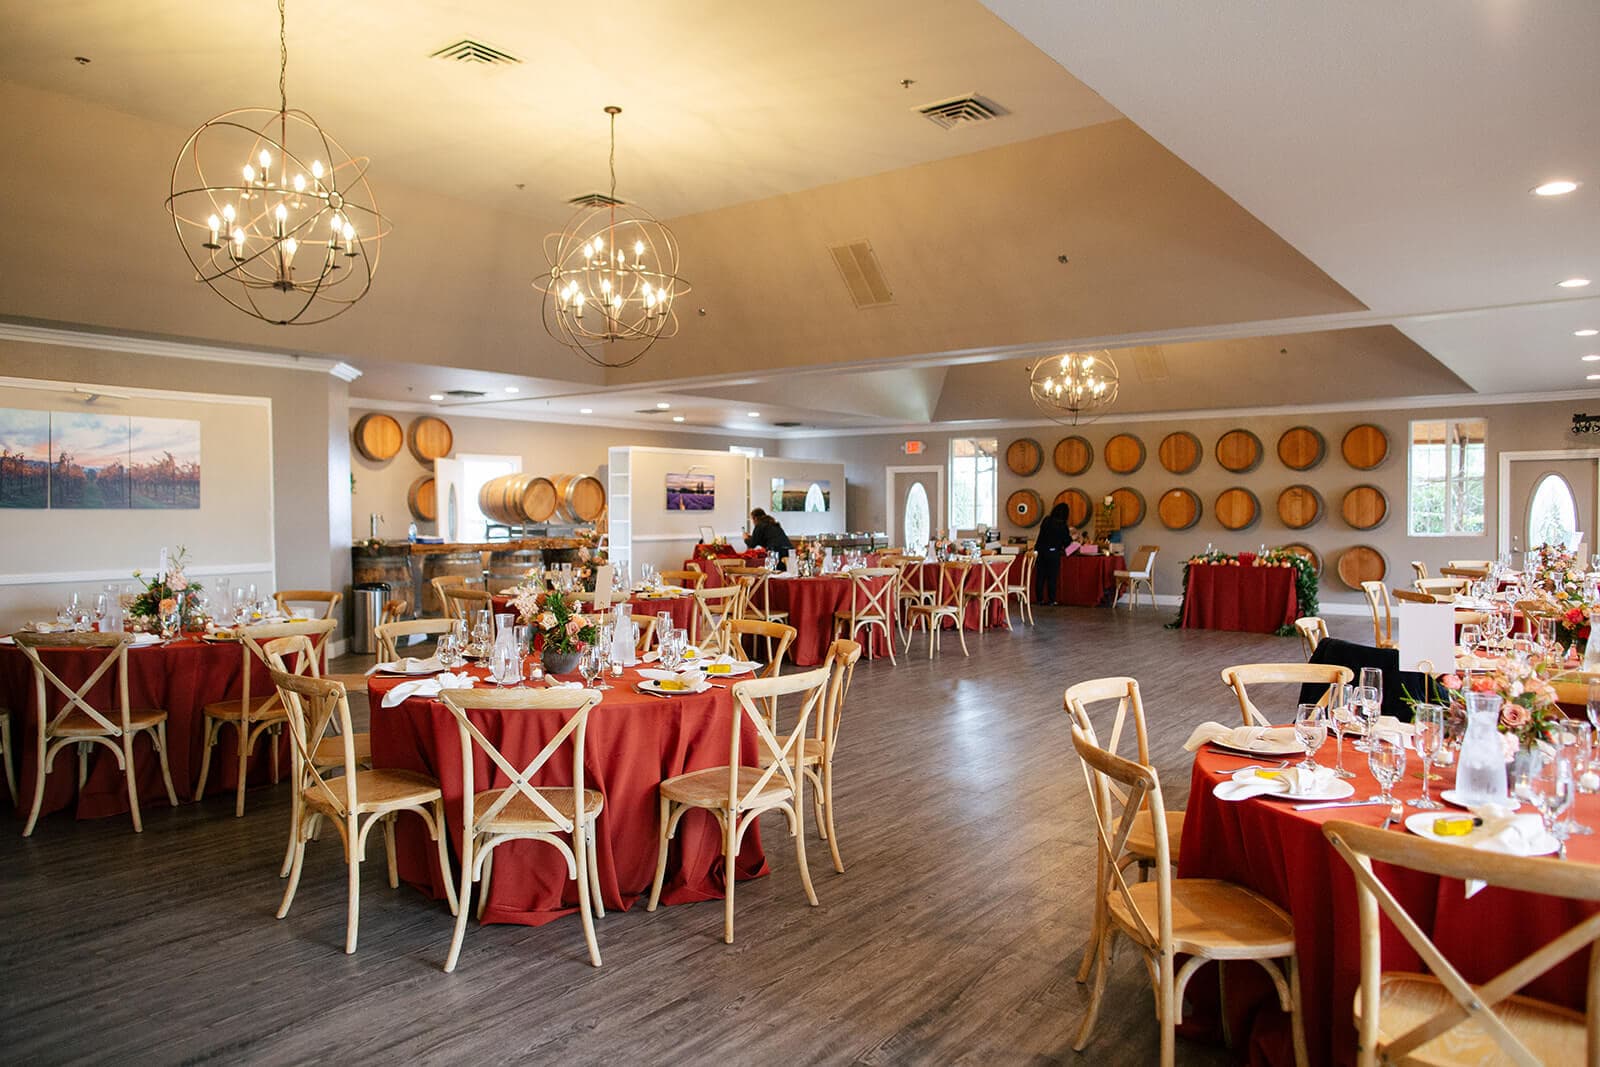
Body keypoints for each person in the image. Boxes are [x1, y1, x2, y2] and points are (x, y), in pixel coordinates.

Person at [1034, 503, 1073, 605]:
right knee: (1052, 577)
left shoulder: (1046, 520)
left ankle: (1039, 599)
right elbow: (1067, 542)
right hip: (1053, 553)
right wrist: (1073, 538)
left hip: (1040, 551)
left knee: (1040, 576)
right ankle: (1051, 600)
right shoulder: (1062, 525)